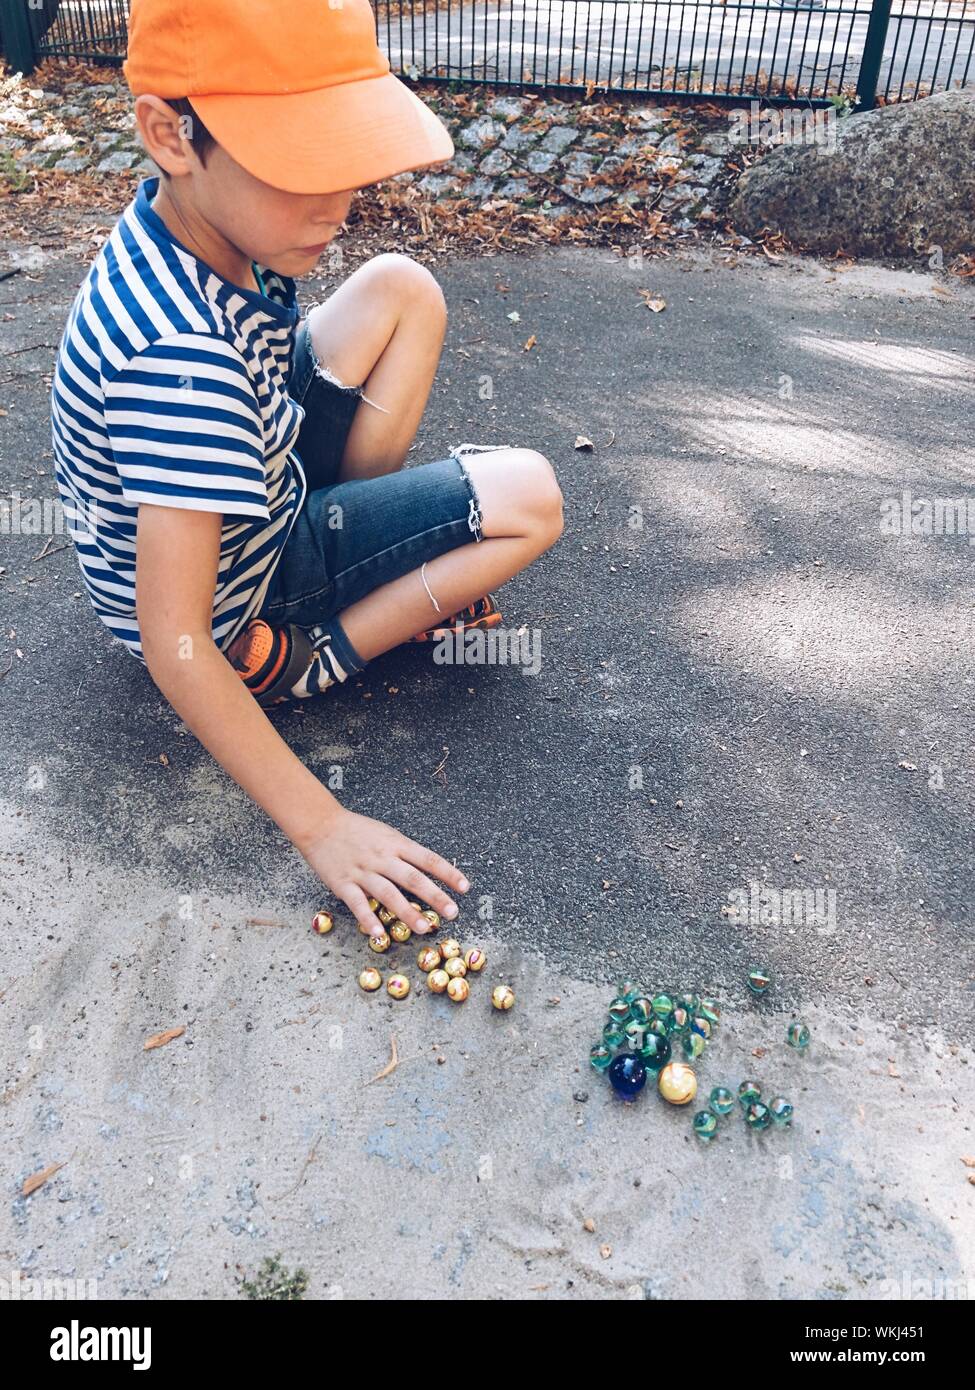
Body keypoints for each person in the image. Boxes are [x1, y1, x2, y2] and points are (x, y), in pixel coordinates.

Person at [50, 0, 563, 937]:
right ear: (171, 133)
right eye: (297, 166)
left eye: (346, 160)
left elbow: (260, 351)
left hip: (254, 479)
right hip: (235, 604)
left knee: (400, 286)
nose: (336, 203)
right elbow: (176, 641)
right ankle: (320, 649)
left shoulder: (207, 230)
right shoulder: (179, 362)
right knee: (531, 497)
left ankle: (348, 533)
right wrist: (322, 825)